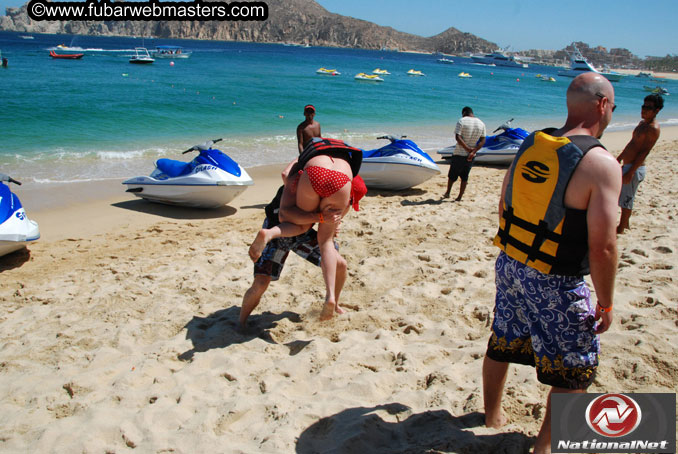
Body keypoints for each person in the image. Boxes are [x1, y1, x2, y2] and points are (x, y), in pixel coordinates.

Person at [482, 73, 621, 454]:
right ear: (602, 105)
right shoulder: (600, 162)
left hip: (511, 262)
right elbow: (604, 247)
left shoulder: (532, 142)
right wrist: (606, 304)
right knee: (577, 369)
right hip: (555, 279)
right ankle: (542, 449)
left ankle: (491, 415)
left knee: (504, 339)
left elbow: (504, 199)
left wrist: (516, 251)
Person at [249, 138, 366, 320]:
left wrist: (293, 190)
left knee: (301, 224)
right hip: (343, 181)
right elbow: (345, 207)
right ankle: (331, 297)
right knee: (326, 241)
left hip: (314, 173)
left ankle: (270, 233)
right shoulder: (347, 166)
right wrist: (333, 222)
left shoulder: (307, 158)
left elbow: (286, 175)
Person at [239, 184, 348, 330]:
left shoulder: (310, 176)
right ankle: (241, 322)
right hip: (281, 227)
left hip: (295, 230)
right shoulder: (332, 185)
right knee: (261, 282)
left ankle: (334, 304)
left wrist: (335, 223)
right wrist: (324, 219)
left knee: (340, 264)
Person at [616, 93, 663, 234]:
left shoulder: (653, 129)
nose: (644, 110)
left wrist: (631, 172)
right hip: (628, 165)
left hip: (635, 169)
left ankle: (621, 229)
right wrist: (619, 158)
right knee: (623, 196)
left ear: (657, 110)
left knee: (626, 200)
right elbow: (632, 144)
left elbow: (644, 152)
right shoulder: (642, 124)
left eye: (649, 108)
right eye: (643, 106)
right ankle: (626, 225)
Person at [443, 106, 486, 201]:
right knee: (465, 177)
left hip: (459, 153)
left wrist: (467, 148)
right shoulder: (481, 123)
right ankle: (459, 197)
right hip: (471, 156)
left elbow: (458, 137)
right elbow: (483, 140)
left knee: (452, 175)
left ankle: (448, 193)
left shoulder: (461, 121)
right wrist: (473, 151)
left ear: (464, 113)